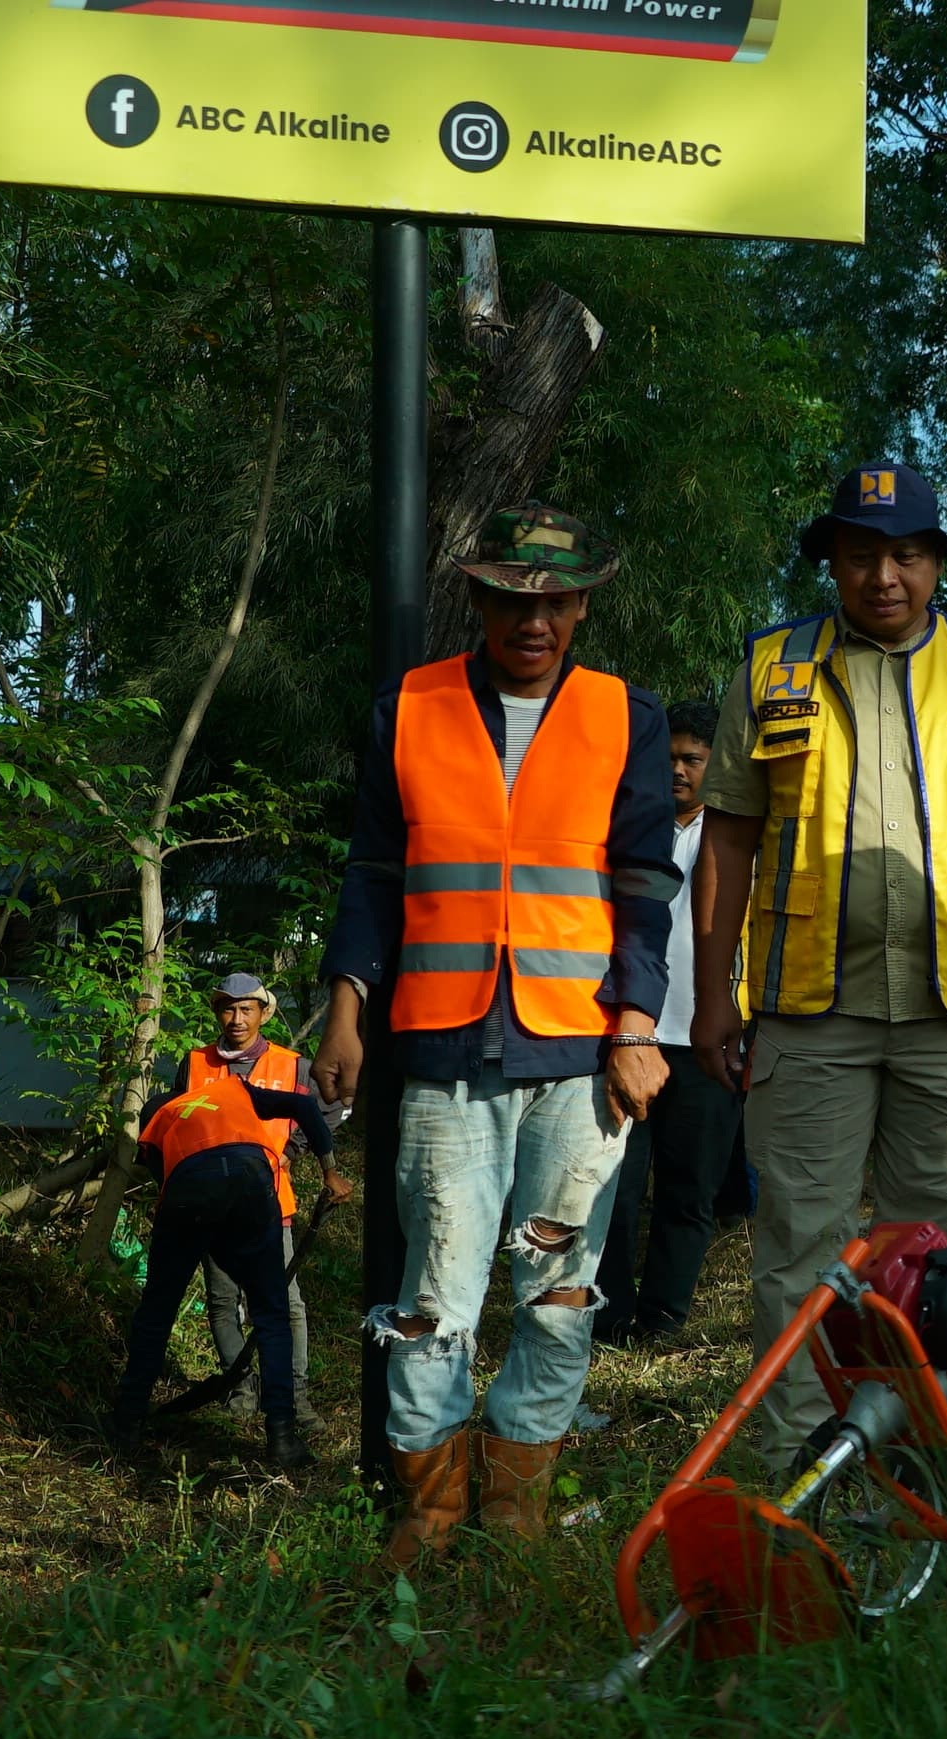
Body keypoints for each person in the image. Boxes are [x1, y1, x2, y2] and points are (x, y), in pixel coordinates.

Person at [686, 462, 947, 1470]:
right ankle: (792, 1468)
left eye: (905, 553)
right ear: (832, 563)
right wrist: (709, 996)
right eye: (860, 555)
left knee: (926, 1259)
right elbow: (726, 844)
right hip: (808, 1012)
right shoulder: (772, 668)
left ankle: (900, 1466)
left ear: (936, 560)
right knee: (797, 1254)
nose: (883, 577)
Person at [311, 501, 676, 1573]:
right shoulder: (408, 709)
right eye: (515, 598)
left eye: (558, 599)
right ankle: (425, 1506)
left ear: (581, 608)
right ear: (477, 600)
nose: (536, 618)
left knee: (558, 1295)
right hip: (440, 1043)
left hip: (582, 1052)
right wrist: (346, 1007)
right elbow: (373, 874)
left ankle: (516, 1497)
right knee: (435, 1296)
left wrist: (638, 1024)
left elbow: (645, 884)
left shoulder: (627, 716)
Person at [591, 701, 751, 1345]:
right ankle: (607, 1314)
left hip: (707, 1041)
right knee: (614, 1191)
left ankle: (663, 1317)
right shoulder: (629, 826)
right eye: (670, 759)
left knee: (690, 1190)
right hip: (629, 1035)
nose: (679, 771)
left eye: (693, 759)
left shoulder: (741, 836)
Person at [107, 1060, 335, 1469]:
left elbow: (169, 1181)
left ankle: (127, 1423)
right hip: (250, 1180)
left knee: (157, 1312)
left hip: (189, 1191)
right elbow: (305, 1108)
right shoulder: (234, 1089)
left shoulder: (157, 1118)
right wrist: (330, 1172)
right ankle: (281, 1436)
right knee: (272, 1314)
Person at [182, 972, 349, 1418]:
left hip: (271, 1204)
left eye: (246, 1009)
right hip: (210, 1205)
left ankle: (294, 1398)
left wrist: (293, 1149)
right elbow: (178, 1121)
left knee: (284, 1303)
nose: (236, 1018)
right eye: (228, 1008)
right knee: (222, 1301)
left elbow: (326, 1110)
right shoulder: (195, 1063)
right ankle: (241, 1393)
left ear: (264, 1013)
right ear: (218, 1012)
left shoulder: (292, 1065)